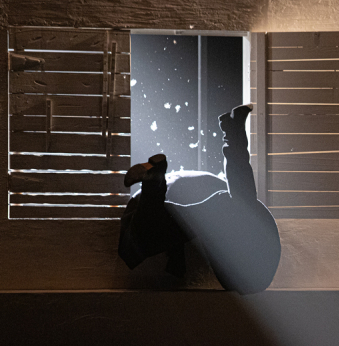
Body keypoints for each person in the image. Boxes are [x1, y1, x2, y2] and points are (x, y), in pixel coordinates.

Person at [118, 104, 281, 294]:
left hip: (226, 212)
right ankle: (232, 132)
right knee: (238, 204)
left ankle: (232, 133)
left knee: (154, 230)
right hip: (247, 229)